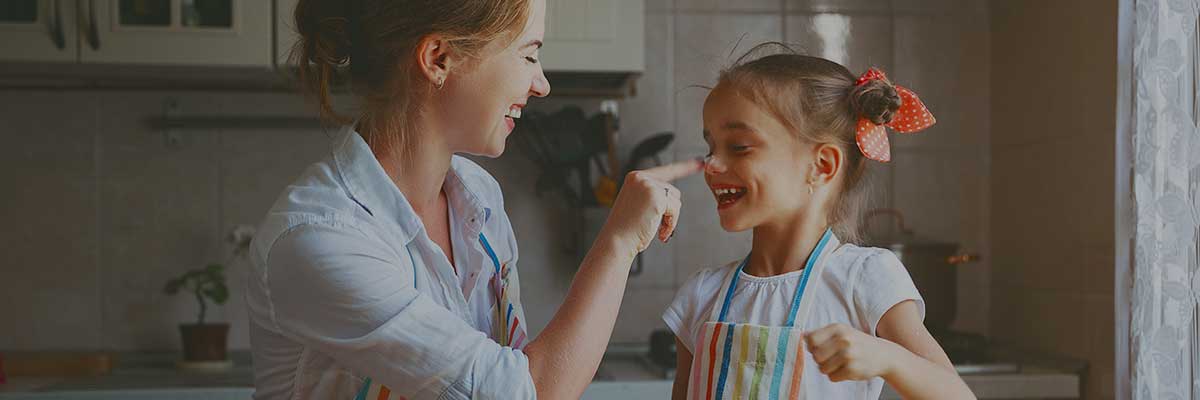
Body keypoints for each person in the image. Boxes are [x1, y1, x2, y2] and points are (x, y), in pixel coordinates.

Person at [244, 0, 701, 398]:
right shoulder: (320, 239)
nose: (541, 84)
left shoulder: (479, 199)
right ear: (438, 58)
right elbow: (524, 393)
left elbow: (505, 363)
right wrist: (618, 241)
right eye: (529, 54)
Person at [663, 46, 975, 399]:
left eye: (738, 146)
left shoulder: (864, 279)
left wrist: (890, 358)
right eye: (711, 147)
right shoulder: (701, 295)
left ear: (822, 166)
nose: (712, 165)